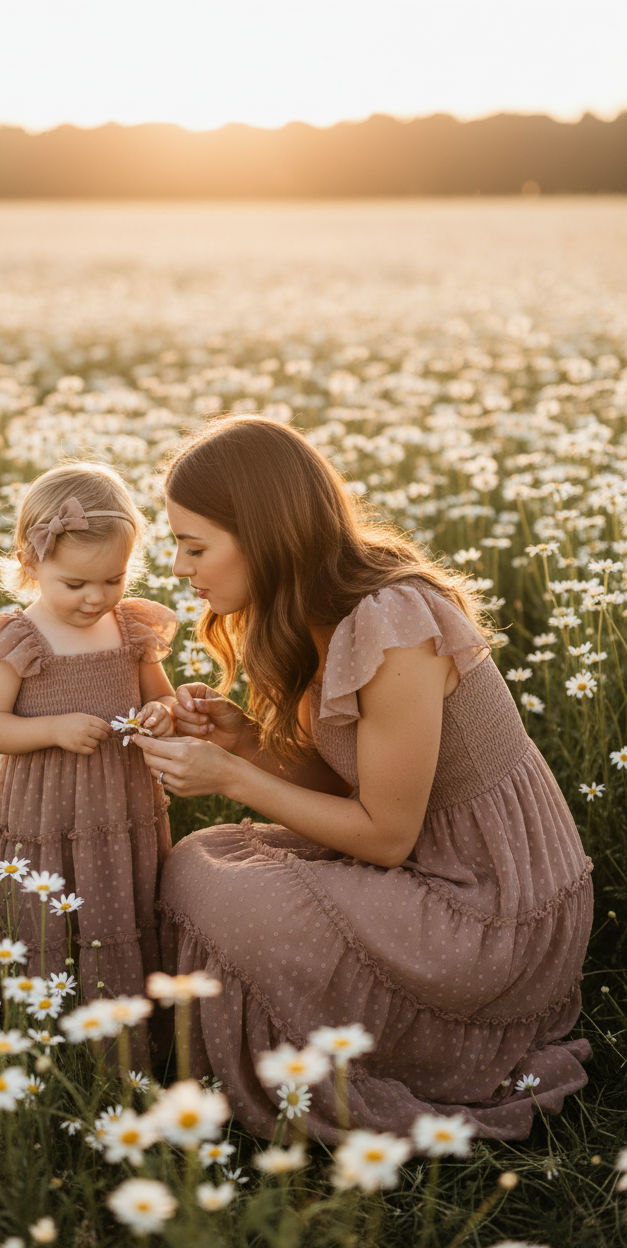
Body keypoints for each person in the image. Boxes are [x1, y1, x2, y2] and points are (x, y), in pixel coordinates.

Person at [134, 415, 593, 1142]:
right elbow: (349, 782)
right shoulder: (306, 613)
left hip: (489, 905)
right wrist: (247, 742)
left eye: (196, 546)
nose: (182, 567)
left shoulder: (393, 621)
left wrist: (233, 776)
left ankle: (326, 1077)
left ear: (264, 535)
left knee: (221, 889)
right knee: (207, 857)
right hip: (428, 860)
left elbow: (383, 834)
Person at [0, 460, 179, 1021]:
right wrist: (53, 729)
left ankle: (126, 1025)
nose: (95, 598)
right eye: (75, 583)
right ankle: (40, 1025)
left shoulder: (131, 628)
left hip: (121, 803)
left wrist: (159, 713)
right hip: (43, 811)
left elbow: (165, 697)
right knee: (44, 911)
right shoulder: (19, 638)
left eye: (114, 579)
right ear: (32, 564)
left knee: (120, 908)